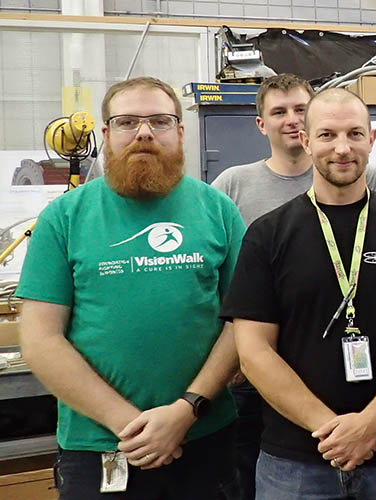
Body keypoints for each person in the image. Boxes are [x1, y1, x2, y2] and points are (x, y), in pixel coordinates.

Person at [209, 73, 376, 499]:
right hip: (295, 460)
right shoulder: (268, 234)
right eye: (328, 135)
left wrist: (370, 422)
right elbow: (254, 349)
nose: (342, 148)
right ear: (307, 139)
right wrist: (330, 429)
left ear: (371, 139)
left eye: (354, 134)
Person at [16, 76, 243, 498]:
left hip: (204, 438)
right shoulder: (64, 217)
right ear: (106, 134)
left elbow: (242, 323)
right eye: (126, 122)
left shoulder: (218, 210)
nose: (143, 132)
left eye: (159, 121)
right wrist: (132, 426)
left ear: (179, 131)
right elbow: (40, 340)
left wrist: (185, 411)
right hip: (102, 446)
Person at [212, 73, 376, 226]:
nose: (292, 120)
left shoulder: (349, 175)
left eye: (301, 109)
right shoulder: (233, 183)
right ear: (261, 125)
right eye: (279, 112)